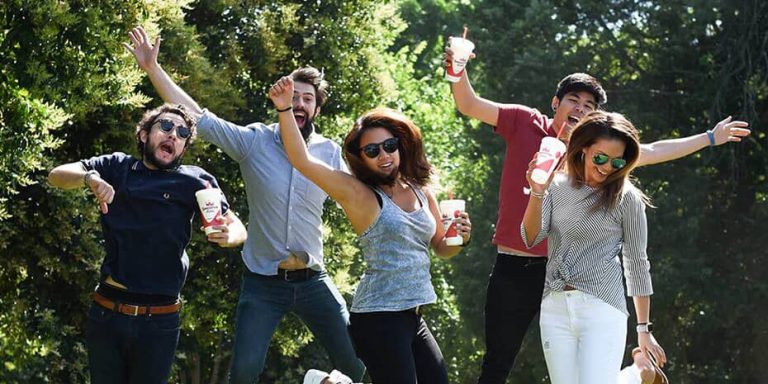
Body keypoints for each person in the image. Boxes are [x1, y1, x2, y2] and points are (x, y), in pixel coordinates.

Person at [444, 47, 751, 383]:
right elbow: (469, 104)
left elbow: (650, 151)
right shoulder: (524, 122)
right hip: (515, 267)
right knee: (497, 363)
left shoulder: (594, 153)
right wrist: (457, 70)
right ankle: (638, 376)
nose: (581, 108)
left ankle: (636, 374)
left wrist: (709, 138)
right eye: (574, 99)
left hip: (569, 276)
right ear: (555, 103)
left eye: (589, 106)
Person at [124, 27, 365, 382]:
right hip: (263, 283)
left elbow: (365, 195)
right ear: (281, 99)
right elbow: (199, 119)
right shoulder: (254, 141)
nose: (299, 104)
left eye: (307, 99)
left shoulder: (330, 153)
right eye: (293, 96)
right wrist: (152, 68)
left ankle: (317, 380)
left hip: (314, 280)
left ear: (317, 106)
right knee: (244, 374)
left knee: (357, 364)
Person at [268, 76, 472, 384]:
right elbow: (301, 160)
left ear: (401, 145)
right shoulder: (360, 195)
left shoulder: (420, 190)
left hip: (414, 316)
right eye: (372, 151)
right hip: (379, 316)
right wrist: (285, 110)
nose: (384, 155)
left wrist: (461, 238)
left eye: (389, 146)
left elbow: (442, 248)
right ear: (362, 159)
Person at [48, 104, 247, 384]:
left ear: (183, 148)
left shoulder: (195, 181)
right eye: (166, 126)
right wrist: (89, 178)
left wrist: (230, 236)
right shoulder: (118, 167)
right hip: (108, 313)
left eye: (182, 133)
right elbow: (56, 175)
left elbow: (237, 226)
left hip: (160, 322)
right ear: (143, 135)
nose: (174, 135)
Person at [521, 111, 666, 383]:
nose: (607, 167)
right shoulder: (556, 186)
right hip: (555, 306)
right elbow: (530, 238)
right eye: (600, 158)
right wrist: (537, 191)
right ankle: (638, 374)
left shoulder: (627, 199)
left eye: (617, 161)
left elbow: (636, 263)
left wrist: (643, 329)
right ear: (584, 149)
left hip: (602, 305)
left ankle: (638, 373)